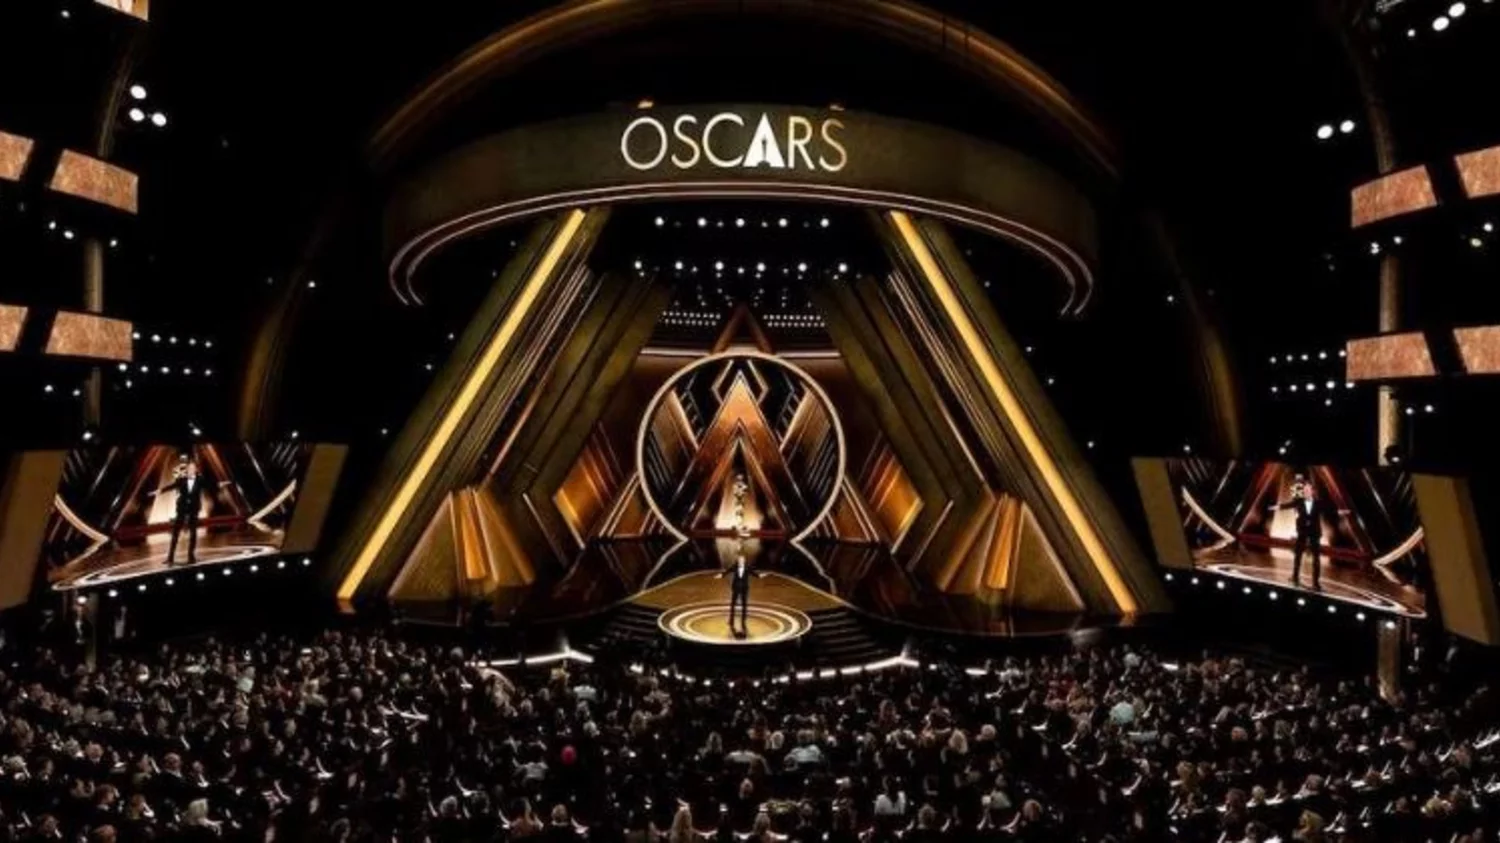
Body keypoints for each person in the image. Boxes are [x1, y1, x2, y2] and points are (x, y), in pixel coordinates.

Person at [1273, 476, 1332, 590]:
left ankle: (1316, 583)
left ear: (1312, 491)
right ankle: (1295, 577)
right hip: (1302, 532)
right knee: (1298, 555)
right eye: (1304, 490)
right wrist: (1278, 507)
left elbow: (1329, 510)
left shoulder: (1318, 503)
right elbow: (1288, 505)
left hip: (1314, 533)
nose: (1306, 492)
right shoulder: (1299, 501)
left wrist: (1339, 512)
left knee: (1316, 558)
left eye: (1308, 490)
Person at [162, 459, 207, 566]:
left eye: (193, 468)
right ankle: (170, 557)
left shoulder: (200, 480)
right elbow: (172, 486)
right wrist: (160, 491)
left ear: (196, 470)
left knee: (193, 533)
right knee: (175, 532)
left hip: (193, 509)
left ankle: (191, 557)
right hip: (182, 508)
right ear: (187, 470)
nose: (191, 470)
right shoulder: (181, 480)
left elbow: (210, 485)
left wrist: (219, 484)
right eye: (189, 468)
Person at [716, 552, 763, 637]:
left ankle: (743, 621)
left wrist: (760, 576)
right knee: (733, 604)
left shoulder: (747, 568)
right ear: (738, 561)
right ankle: (731, 620)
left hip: (744, 589)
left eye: (742, 560)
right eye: (739, 560)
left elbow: (754, 574)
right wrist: (721, 575)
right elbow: (728, 571)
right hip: (736, 588)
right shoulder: (735, 566)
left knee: (744, 605)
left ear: (744, 561)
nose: (741, 561)